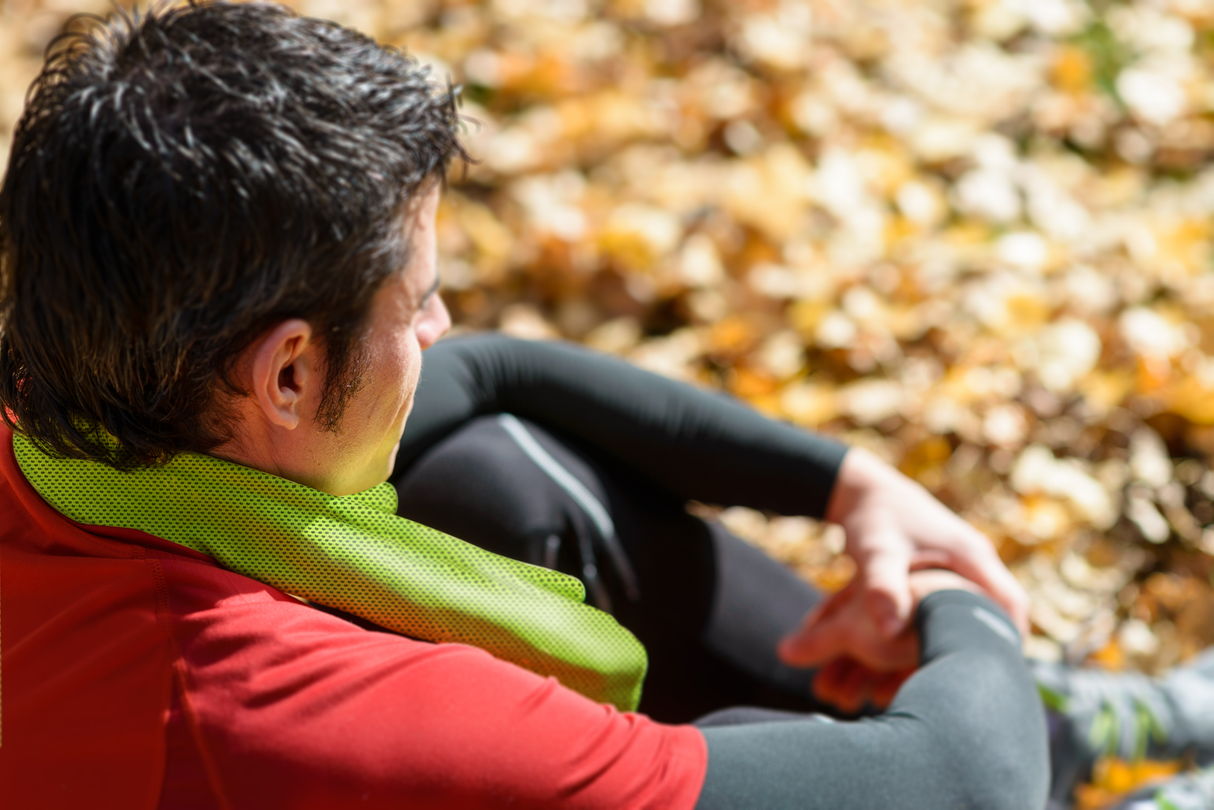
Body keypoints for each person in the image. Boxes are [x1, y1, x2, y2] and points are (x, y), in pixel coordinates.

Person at [0, 2, 1050, 807]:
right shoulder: (274, 707)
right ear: (286, 375)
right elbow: (961, 783)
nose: (441, 323)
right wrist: (947, 597)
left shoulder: (73, 427)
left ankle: (1050, 725)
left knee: (487, 472)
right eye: (414, 302)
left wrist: (847, 485)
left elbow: (495, 372)